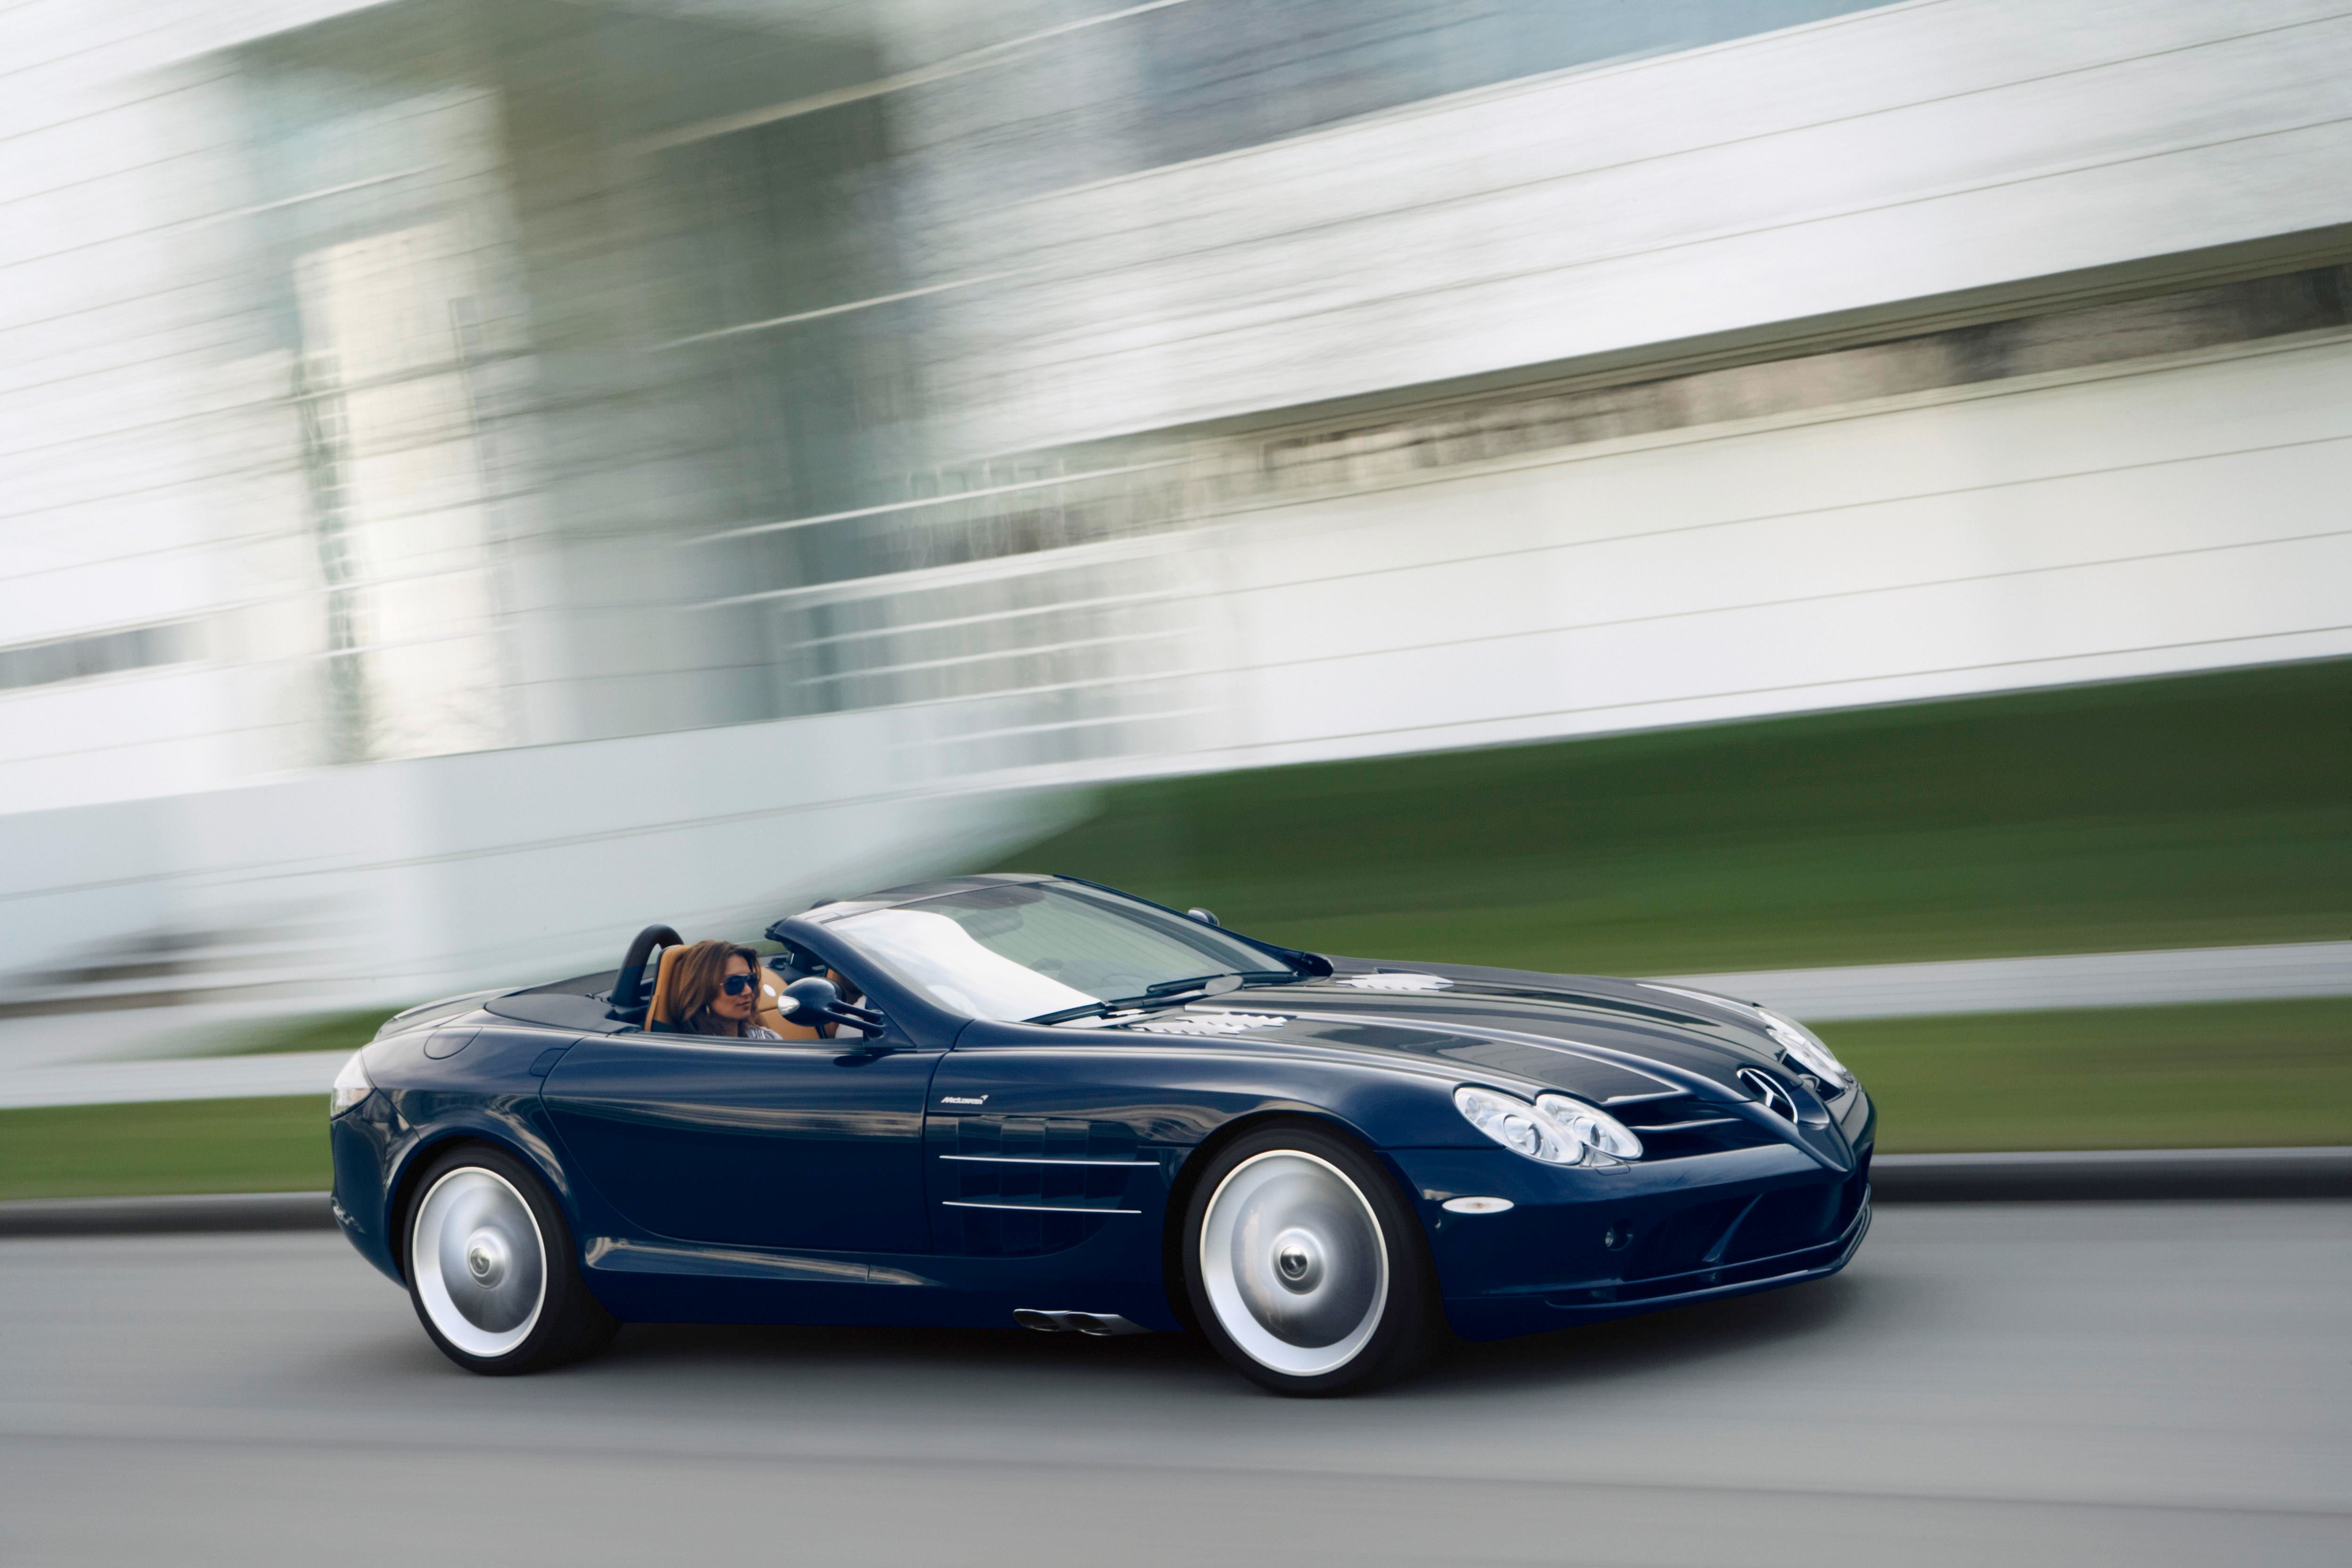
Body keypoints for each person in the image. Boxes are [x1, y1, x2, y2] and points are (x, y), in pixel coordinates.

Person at [659, 940, 784, 1039]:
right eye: (734, 983)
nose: (748, 991)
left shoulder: (768, 1039)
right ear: (703, 992)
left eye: (751, 980)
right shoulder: (693, 1054)